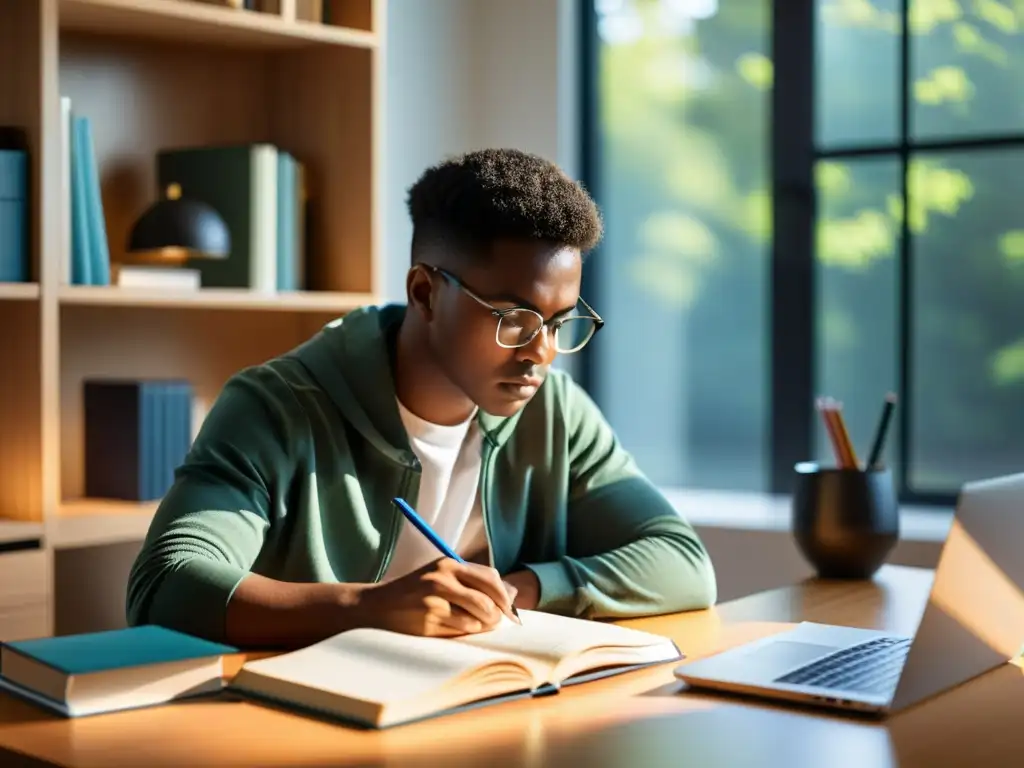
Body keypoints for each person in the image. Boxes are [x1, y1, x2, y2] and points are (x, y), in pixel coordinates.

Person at [125, 148, 717, 649]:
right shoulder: (278, 407)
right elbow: (165, 586)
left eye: (561, 323)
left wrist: (519, 589)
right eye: (515, 319)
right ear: (425, 292)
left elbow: (683, 564)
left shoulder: (554, 411)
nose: (541, 352)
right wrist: (366, 608)